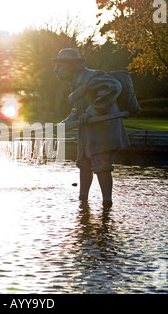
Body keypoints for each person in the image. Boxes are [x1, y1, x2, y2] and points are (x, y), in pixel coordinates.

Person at [53, 48, 130, 207]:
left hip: (103, 129)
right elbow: (77, 110)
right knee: (84, 163)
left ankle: (107, 204)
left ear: (71, 65)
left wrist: (91, 112)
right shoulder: (76, 81)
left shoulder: (92, 77)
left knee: (102, 165)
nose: (56, 70)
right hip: (88, 129)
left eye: (60, 66)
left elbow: (114, 86)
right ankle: (83, 200)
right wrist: (62, 125)